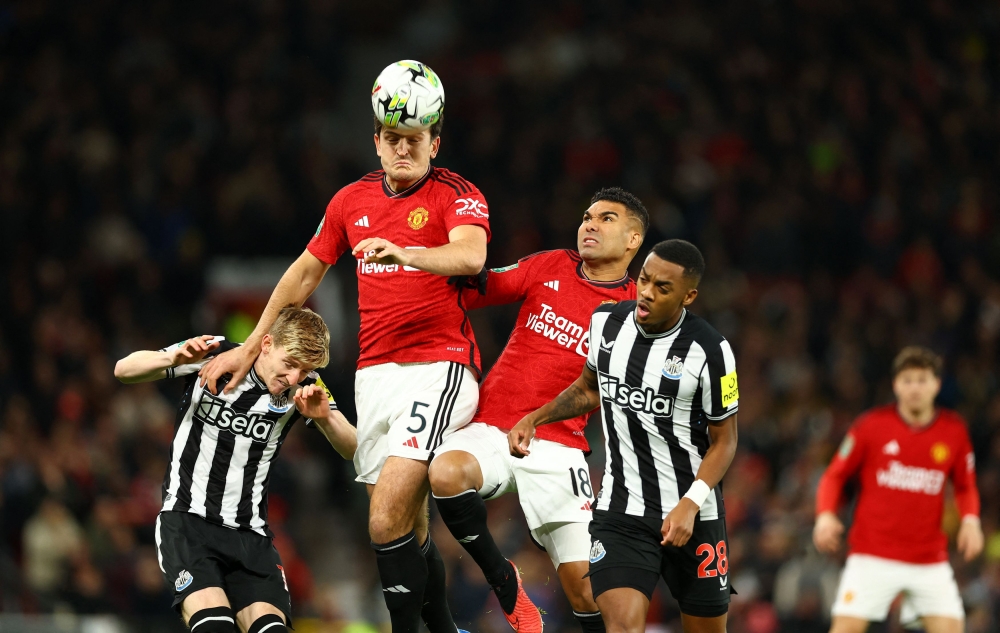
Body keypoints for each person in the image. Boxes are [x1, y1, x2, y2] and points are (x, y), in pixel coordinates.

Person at [198, 60, 489, 633]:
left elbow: (472, 255)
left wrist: (405, 252)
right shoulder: (349, 202)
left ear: (436, 142)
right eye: (394, 139)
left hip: (439, 366)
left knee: (384, 520)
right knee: (412, 526)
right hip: (374, 373)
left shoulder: (458, 194)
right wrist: (250, 347)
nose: (404, 150)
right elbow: (303, 276)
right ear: (377, 141)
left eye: (416, 140)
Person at [429, 187, 648, 633]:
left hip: (561, 448)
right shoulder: (550, 264)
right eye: (587, 215)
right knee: (446, 474)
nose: (589, 223)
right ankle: (503, 579)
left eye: (606, 219)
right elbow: (475, 289)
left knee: (588, 593)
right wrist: (427, 261)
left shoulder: (635, 313)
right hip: (492, 428)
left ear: (632, 239)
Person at [507, 240, 739, 633]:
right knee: (622, 626)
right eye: (644, 280)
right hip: (622, 511)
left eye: (663, 288)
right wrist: (536, 417)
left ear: (689, 295)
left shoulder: (712, 351)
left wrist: (690, 503)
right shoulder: (606, 323)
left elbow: (725, 441)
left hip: (692, 514)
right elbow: (588, 388)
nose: (647, 292)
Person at [114, 307, 357, 633]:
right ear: (267, 343)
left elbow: (355, 448)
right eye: (289, 364)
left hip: (250, 537)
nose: (294, 378)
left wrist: (326, 418)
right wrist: (172, 360)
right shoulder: (216, 352)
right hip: (189, 523)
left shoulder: (308, 384)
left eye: (304, 369)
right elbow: (123, 370)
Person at [813, 346, 983, 633]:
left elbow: (966, 486)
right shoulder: (871, 426)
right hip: (872, 555)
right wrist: (825, 514)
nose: (914, 388)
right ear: (895, 385)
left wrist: (971, 520)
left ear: (936, 384)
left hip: (928, 559)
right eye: (907, 380)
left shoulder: (953, 431)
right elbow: (835, 475)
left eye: (922, 380)